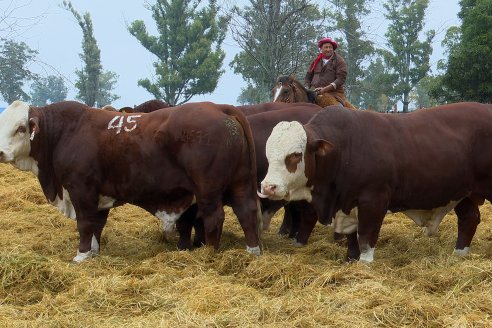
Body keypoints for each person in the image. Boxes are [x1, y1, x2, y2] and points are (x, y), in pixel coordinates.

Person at [304, 37, 355, 109]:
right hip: (316, 92)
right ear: (321, 49)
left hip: (335, 94)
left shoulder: (339, 61)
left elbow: (341, 79)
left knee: (337, 110)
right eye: (326, 47)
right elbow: (308, 76)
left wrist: (324, 89)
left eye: (330, 47)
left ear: (333, 49)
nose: (328, 49)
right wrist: (306, 89)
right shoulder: (316, 60)